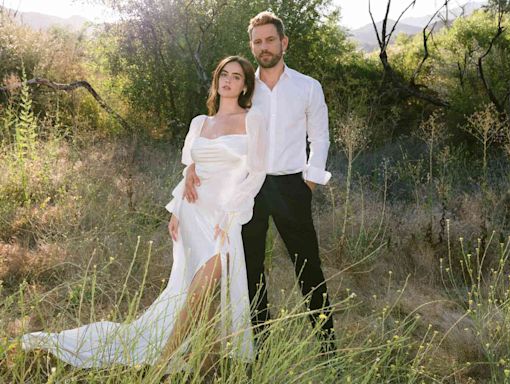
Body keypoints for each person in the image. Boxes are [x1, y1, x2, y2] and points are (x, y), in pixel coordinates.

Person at [20, 55, 267, 371]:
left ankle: (166, 361)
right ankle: (201, 359)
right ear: (217, 80)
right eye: (223, 74)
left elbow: (257, 172)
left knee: (206, 284)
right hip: (193, 212)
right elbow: (192, 161)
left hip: (224, 216)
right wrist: (178, 205)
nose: (228, 80)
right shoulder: (200, 122)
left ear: (245, 85)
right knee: (198, 289)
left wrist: (231, 214)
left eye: (236, 76)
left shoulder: (252, 119)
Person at [183, 11, 337, 354]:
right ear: (251, 47)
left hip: (290, 187)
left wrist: (309, 183)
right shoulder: (244, 87)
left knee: (308, 266)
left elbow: (321, 138)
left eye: (270, 40)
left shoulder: (307, 87)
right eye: (257, 42)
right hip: (245, 189)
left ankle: (329, 350)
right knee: (250, 270)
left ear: (283, 42)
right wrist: (195, 163)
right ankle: (260, 349)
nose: (264, 47)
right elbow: (217, 125)